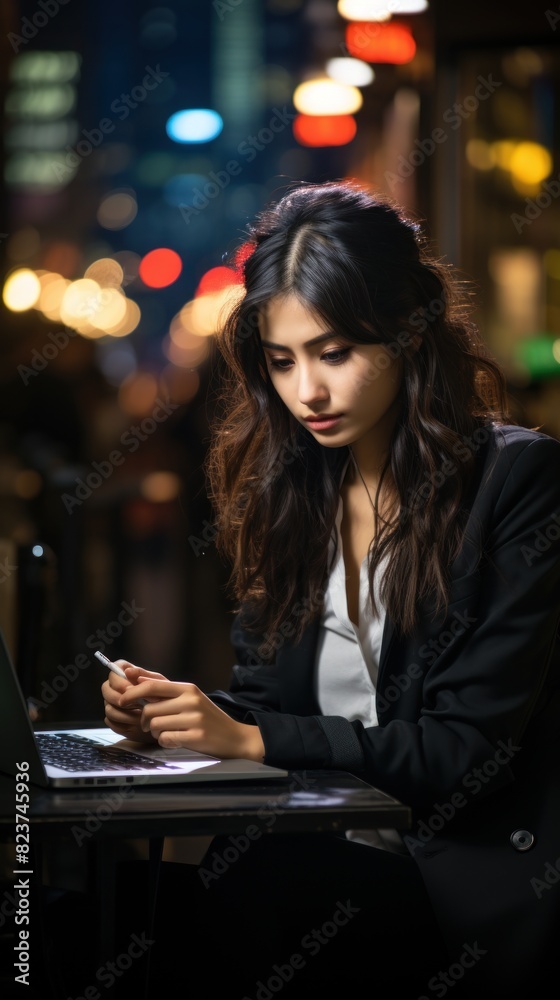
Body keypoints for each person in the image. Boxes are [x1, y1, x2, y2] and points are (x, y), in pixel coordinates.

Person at [101, 179, 560, 999]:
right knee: (97, 914)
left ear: (407, 334)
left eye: (334, 352)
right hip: (321, 858)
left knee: (256, 896)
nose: (306, 391)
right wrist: (188, 714)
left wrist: (252, 739)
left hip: (462, 885)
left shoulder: (516, 482)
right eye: (281, 361)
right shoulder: (290, 491)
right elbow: (272, 704)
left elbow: (465, 756)